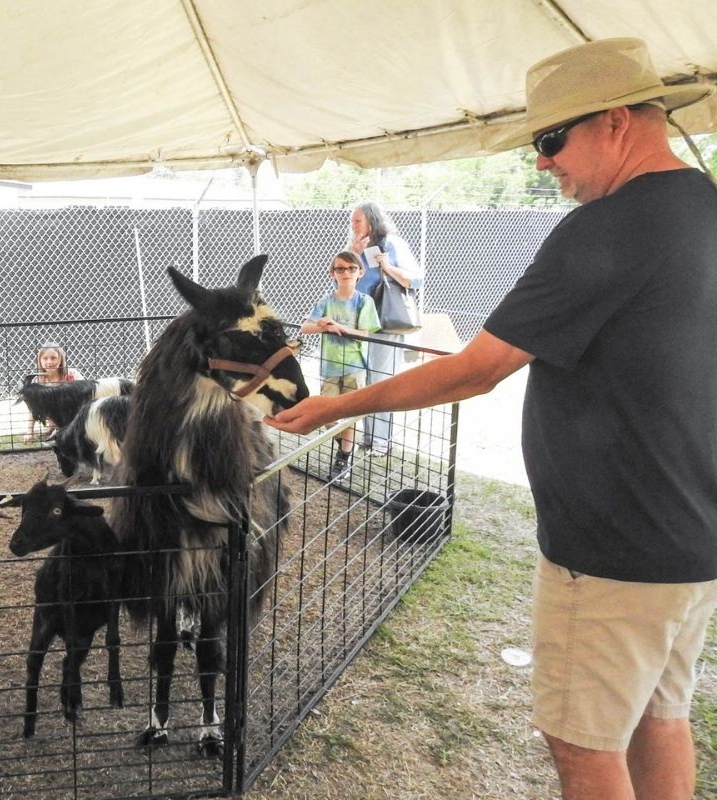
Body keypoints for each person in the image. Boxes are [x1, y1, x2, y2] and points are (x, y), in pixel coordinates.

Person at [267, 38, 717, 800]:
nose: (543, 162)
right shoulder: (704, 206)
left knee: (582, 746)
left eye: (551, 140)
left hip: (613, 547)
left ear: (615, 121)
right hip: (690, 537)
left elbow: (480, 368)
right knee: (659, 718)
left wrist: (336, 407)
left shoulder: (606, 229)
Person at [348, 200, 423, 457]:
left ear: (372, 220)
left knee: (382, 380)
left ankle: (381, 441)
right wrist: (354, 255)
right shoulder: (358, 246)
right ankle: (369, 438)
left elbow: (416, 279)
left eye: (358, 221)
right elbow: (343, 279)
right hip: (361, 322)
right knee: (366, 381)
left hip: (385, 323)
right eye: (353, 221)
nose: (353, 226)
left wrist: (386, 266)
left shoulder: (392, 243)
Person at [299, 250, 381, 476]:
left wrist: (340, 327)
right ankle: (343, 444)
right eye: (340, 268)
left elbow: (364, 333)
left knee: (350, 414)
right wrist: (323, 326)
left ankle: (343, 459)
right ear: (332, 273)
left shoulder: (364, 302)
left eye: (351, 268)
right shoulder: (325, 302)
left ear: (360, 272)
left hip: (355, 367)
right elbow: (305, 327)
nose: (346, 272)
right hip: (330, 367)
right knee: (328, 416)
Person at [22, 341, 83, 443]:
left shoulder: (72, 374)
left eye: (53, 358)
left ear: (60, 359)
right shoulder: (39, 381)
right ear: (39, 360)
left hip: (75, 416)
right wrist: (30, 431)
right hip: (54, 420)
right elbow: (33, 409)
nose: (49, 362)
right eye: (45, 358)